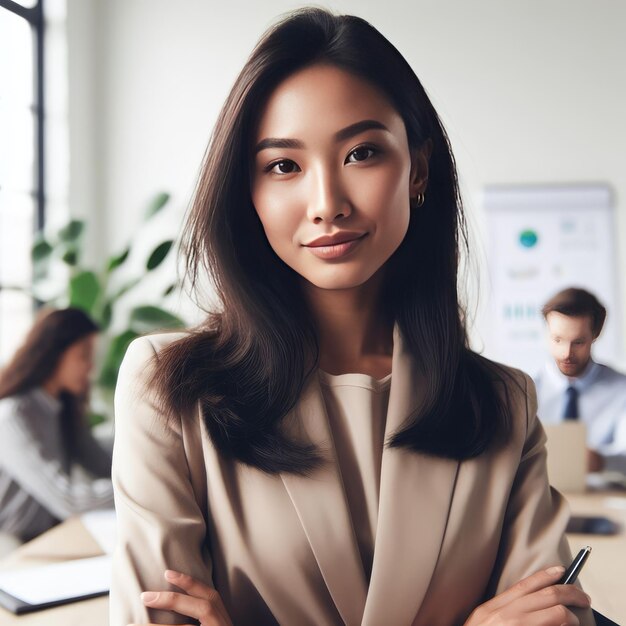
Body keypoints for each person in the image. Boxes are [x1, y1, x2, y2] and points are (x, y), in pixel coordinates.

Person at [110, 8, 594, 626]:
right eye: (284, 166)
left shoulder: (502, 403)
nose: (327, 205)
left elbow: (554, 617)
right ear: (248, 191)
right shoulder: (167, 390)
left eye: (362, 153)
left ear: (416, 170)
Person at [0, 307, 114, 552]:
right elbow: (69, 500)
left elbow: (103, 464)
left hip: (48, 533)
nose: (90, 368)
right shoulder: (11, 417)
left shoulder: (62, 409)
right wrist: (140, 487)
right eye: (83, 355)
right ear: (53, 354)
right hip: (11, 538)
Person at [534, 287, 626, 474]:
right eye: (557, 340)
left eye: (578, 342)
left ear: (595, 335)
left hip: (601, 498)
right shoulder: (525, 390)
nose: (566, 353)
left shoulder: (622, 390)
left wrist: (601, 461)